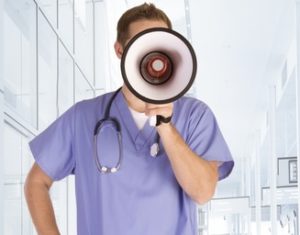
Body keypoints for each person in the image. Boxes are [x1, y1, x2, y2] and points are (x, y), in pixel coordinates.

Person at [24, 3, 234, 235]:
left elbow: (203, 192)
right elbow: (36, 183)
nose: (151, 53)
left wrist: (165, 126)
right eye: (142, 44)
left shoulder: (195, 116)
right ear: (120, 50)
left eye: (159, 44)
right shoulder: (82, 118)